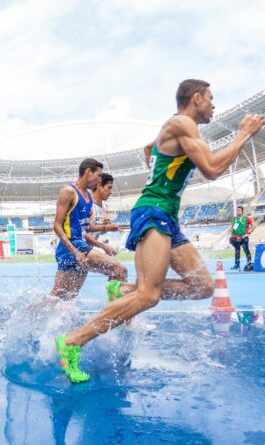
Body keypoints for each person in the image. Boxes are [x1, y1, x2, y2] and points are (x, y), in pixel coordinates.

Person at [55, 79, 265, 383]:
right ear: (196, 99)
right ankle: (72, 342)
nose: (214, 105)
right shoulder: (181, 123)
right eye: (211, 99)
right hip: (154, 212)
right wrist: (244, 133)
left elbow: (149, 148)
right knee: (149, 295)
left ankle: (124, 290)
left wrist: (160, 168)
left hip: (166, 215)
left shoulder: (179, 130)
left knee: (202, 286)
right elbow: (212, 169)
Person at [49, 159, 125, 299]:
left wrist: (107, 227)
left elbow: (87, 227)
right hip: (71, 246)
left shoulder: (88, 197)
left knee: (63, 296)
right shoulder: (69, 192)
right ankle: (114, 315)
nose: (99, 180)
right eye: (98, 175)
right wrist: (76, 252)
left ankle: (28, 315)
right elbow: (57, 225)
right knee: (119, 269)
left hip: (79, 245)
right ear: (88, 172)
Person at [229, 205, 254, 271]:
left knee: (246, 251)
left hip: (244, 237)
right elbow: (232, 228)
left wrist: (248, 233)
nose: (238, 211)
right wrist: (231, 236)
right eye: (237, 210)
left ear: (242, 211)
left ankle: (249, 264)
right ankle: (237, 265)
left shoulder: (247, 218)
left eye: (239, 210)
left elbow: (254, 226)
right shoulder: (234, 219)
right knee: (237, 252)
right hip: (236, 238)